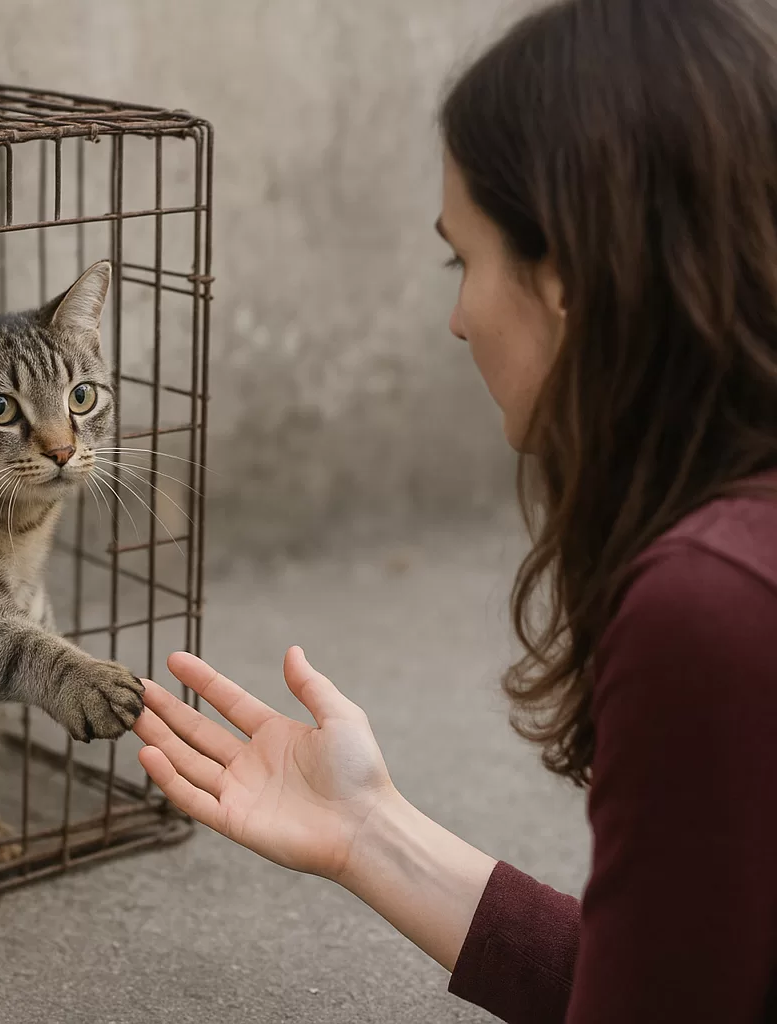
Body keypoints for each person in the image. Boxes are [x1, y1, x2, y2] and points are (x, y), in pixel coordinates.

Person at [134, 0, 777, 1020]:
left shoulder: (710, 606)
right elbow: (678, 975)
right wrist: (368, 830)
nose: (456, 316)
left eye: (461, 258)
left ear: (562, 275)